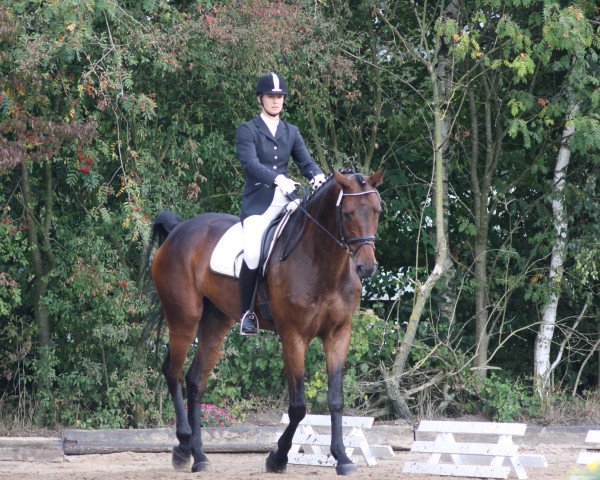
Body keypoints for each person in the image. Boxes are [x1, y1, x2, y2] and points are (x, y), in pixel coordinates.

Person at [236, 72, 326, 336]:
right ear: (260, 99)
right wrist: (277, 179)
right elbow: (250, 164)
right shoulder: (248, 129)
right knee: (253, 253)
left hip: (290, 200)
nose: (276, 101)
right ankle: (247, 313)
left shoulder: (292, 131)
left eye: (280, 97)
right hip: (259, 202)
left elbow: (305, 161)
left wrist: (317, 175)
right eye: (271, 97)